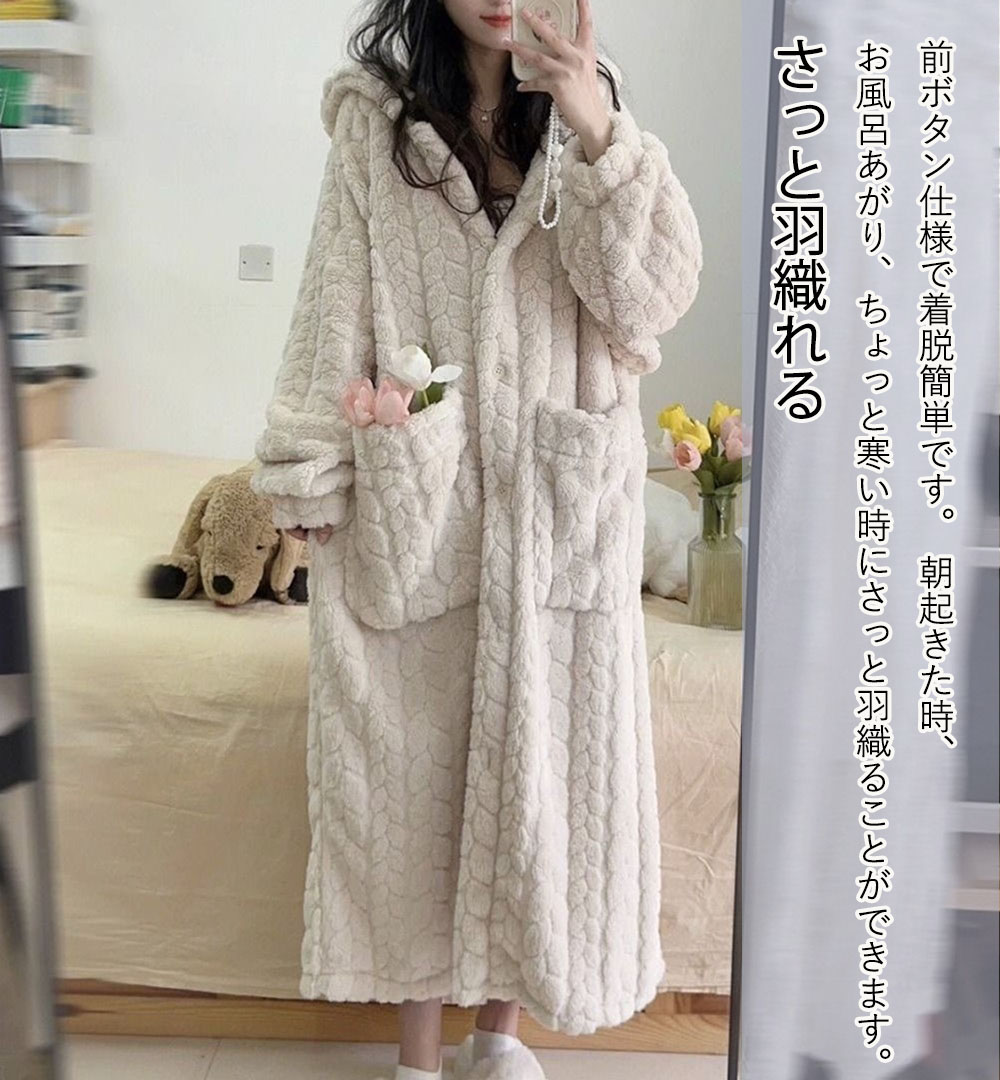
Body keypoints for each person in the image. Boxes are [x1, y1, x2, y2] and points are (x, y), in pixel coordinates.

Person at [250, 0, 703, 1077]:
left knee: (548, 766)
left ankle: (498, 1041)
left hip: (561, 503)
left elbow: (649, 307)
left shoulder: (593, 119)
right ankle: (417, 1056)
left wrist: (596, 128)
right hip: (423, 497)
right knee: (407, 776)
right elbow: (332, 302)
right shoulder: (376, 125)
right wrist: (312, 468)